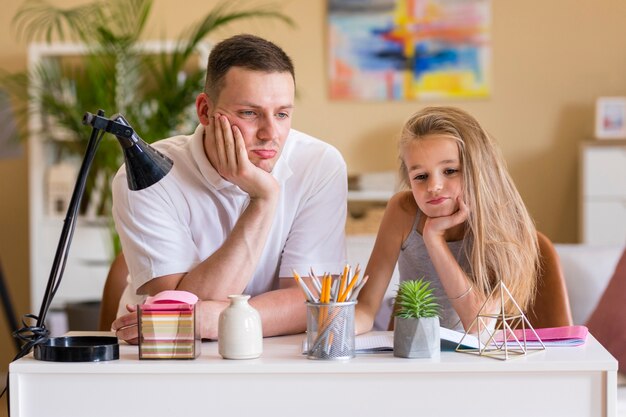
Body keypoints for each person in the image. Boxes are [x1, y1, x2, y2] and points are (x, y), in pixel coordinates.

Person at [111, 34, 347, 343]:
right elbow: (178, 309)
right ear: (205, 111)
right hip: (166, 357)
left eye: (282, 114)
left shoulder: (319, 164)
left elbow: (310, 302)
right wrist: (264, 198)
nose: (270, 133)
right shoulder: (149, 174)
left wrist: (213, 319)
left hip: (273, 354)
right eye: (249, 113)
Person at [355, 106, 541, 334]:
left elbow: (478, 325)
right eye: (421, 176)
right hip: (410, 353)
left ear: (478, 169)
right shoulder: (402, 211)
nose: (433, 186)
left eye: (450, 170)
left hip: (469, 358)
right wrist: (334, 329)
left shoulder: (505, 222)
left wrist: (434, 239)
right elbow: (365, 307)